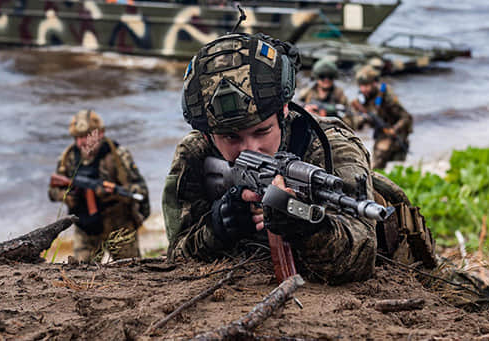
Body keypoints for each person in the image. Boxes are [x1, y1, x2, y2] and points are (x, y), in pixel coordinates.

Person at [163, 32, 378, 284]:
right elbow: (176, 258)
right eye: (231, 138)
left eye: (262, 131)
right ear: (208, 135)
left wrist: (306, 226)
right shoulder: (196, 153)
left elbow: (361, 259)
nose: (251, 148)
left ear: (284, 111)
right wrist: (219, 227)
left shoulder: (329, 145)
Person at [49, 110, 150, 262]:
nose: (82, 142)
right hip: (85, 228)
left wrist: (114, 193)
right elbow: (53, 191)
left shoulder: (118, 155)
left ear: (100, 134)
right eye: (77, 137)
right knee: (82, 275)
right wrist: (69, 197)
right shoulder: (68, 157)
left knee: (132, 271)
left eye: (86, 136)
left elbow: (141, 190)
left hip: (119, 225)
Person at [351, 65, 412, 170]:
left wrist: (394, 130)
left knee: (381, 156)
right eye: (361, 86)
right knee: (375, 158)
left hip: (395, 130)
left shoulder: (387, 96)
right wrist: (362, 119)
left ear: (374, 83)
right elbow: (357, 122)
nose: (363, 89)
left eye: (366, 85)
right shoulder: (362, 99)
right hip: (380, 131)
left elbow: (406, 117)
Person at [297, 57, 356, 128]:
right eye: (322, 77)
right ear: (317, 77)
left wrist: (333, 116)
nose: (326, 80)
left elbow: (352, 123)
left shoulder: (340, 95)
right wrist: (306, 111)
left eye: (330, 77)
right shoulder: (306, 93)